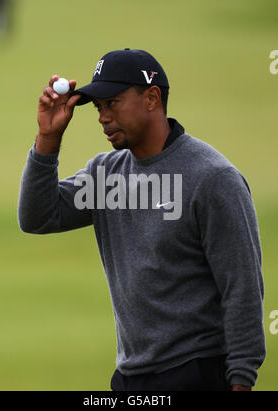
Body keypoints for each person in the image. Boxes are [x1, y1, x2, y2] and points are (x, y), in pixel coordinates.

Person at [18, 48, 266, 391]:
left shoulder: (212, 179)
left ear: (151, 98)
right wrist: (48, 139)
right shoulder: (106, 176)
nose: (103, 117)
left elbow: (242, 290)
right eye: (99, 108)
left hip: (197, 372)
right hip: (131, 377)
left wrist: (241, 380)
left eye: (114, 103)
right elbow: (37, 217)